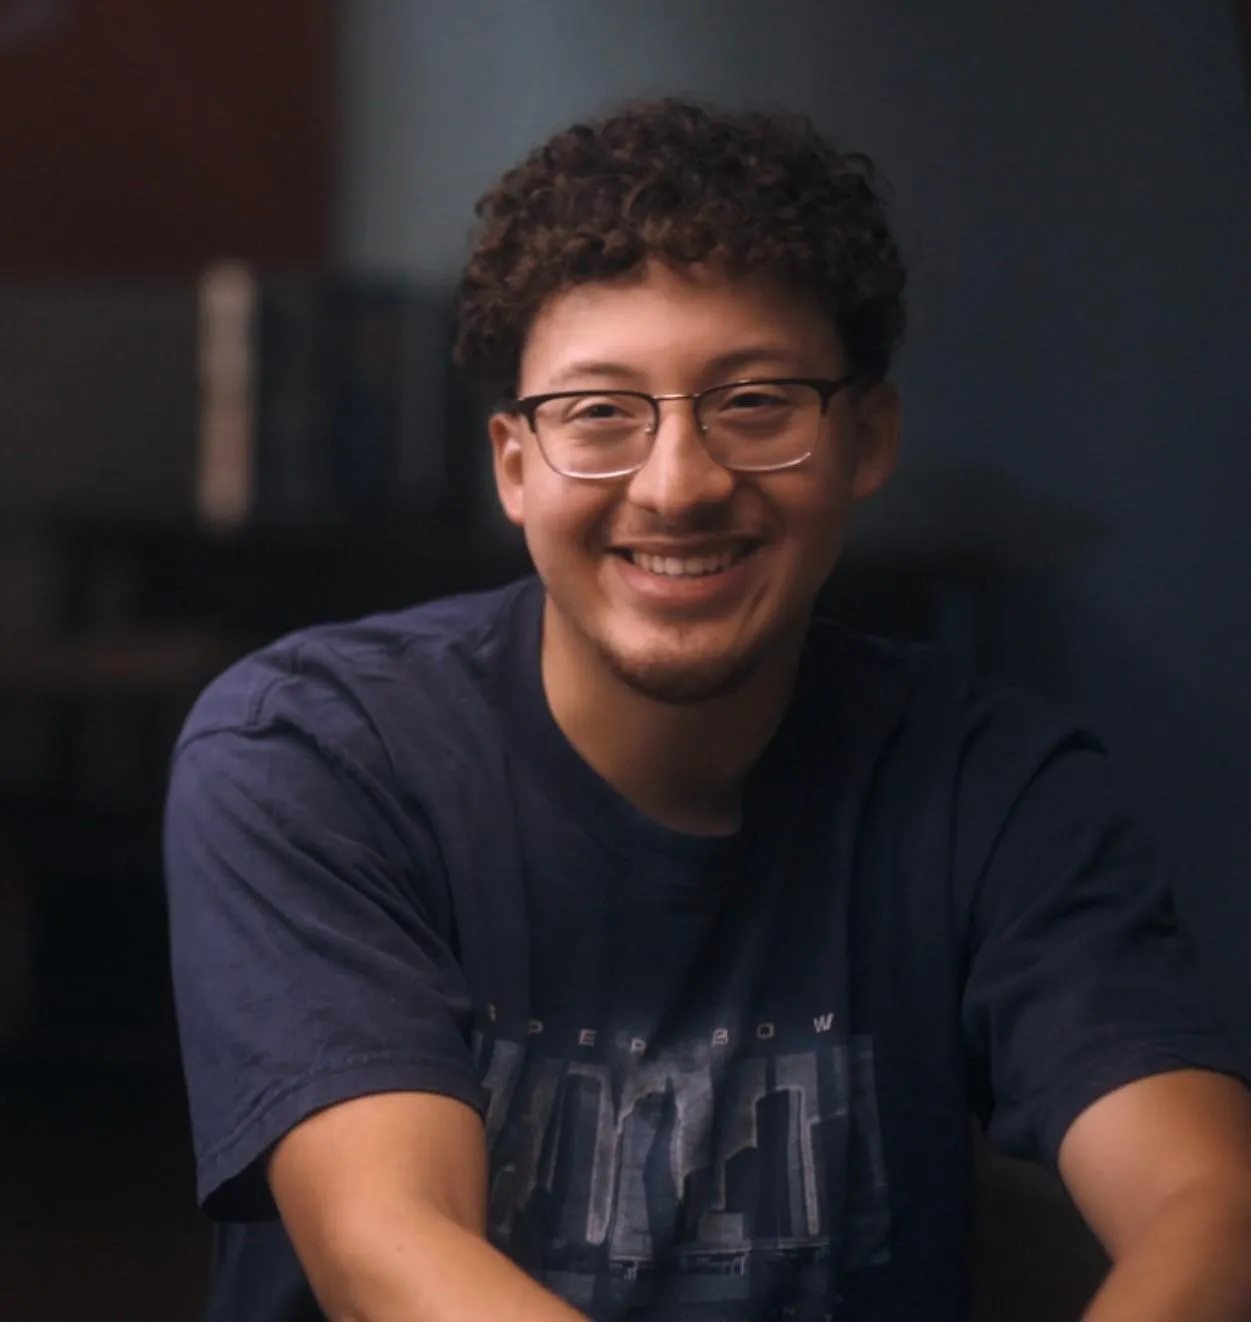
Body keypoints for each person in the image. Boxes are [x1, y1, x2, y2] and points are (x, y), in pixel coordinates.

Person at [164, 98, 1251, 1322]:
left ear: (866, 437)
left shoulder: (992, 788)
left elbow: (1209, 1202)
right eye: (599, 413)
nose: (677, 484)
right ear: (515, 466)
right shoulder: (313, 755)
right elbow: (388, 1250)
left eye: (756, 401)